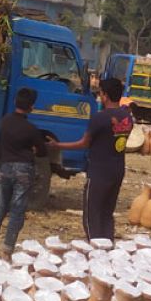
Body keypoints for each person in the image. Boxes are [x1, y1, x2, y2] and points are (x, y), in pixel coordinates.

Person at [52, 78, 132, 241]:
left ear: (105, 95)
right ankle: (107, 245)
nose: (99, 96)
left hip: (99, 171)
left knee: (92, 214)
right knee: (106, 212)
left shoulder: (99, 118)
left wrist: (58, 145)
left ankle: (95, 246)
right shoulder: (127, 117)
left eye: (100, 93)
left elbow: (84, 143)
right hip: (117, 169)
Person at [0, 88, 51, 259]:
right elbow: (42, 152)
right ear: (32, 107)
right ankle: (7, 251)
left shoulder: (5, 121)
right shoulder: (31, 129)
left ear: (15, 102)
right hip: (24, 170)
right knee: (17, 211)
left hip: (5, 168)